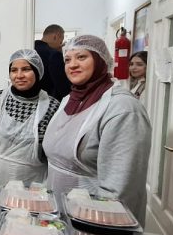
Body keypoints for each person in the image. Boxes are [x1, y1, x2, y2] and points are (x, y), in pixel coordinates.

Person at [42, 35, 151, 225]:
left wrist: (91, 228)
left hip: (96, 223)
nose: (72, 65)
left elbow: (120, 189)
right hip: (59, 216)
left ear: (100, 60)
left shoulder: (123, 108)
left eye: (81, 57)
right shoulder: (69, 100)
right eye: (67, 59)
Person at [0, 49, 61, 208]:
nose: (19, 75)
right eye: (14, 70)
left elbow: (54, 153)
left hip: (35, 183)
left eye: (26, 69)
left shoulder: (52, 106)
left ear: (37, 72)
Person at [34, 24, 70, 101]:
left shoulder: (30, 49)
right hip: (49, 101)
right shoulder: (54, 55)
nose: (60, 45)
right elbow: (62, 86)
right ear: (55, 36)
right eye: (61, 41)